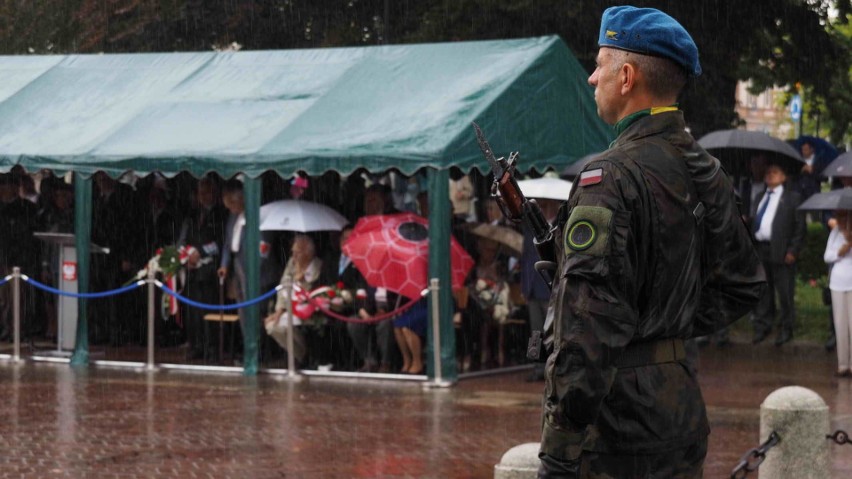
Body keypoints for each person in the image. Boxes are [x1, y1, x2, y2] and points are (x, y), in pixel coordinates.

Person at [537, 6, 765, 477]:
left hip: (618, 429)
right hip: (679, 413)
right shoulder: (707, 170)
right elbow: (743, 284)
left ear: (626, 76)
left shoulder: (609, 178)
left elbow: (587, 331)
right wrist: (667, 327)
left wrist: (558, 451)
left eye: (598, 65)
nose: (590, 78)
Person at [218, 179, 281, 355]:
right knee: (243, 312)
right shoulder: (233, 216)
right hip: (238, 267)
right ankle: (249, 347)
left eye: (232, 203)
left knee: (256, 313)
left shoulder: (259, 215)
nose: (230, 208)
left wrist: (253, 268)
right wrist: (224, 264)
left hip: (258, 272)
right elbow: (228, 243)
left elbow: (264, 247)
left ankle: (261, 351)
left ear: (242, 198)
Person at [750, 163, 806, 346]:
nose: (770, 175)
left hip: (782, 251)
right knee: (763, 291)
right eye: (768, 172)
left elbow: (800, 228)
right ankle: (763, 325)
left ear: (784, 177)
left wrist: (793, 251)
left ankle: (786, 328)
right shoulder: (759, 196)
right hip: (760, 249)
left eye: (775, 172)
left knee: (784, 292)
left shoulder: (792, 198)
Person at [178, 176, 228, 360]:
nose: (204, 196)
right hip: (192, 271)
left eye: (207, 192)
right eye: (201, 193)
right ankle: (196, 344)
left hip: (210, 271)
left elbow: (222, 241)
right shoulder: (192, 215)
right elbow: (183, 239)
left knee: (209, 310)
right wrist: (184, 255)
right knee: (193, 312)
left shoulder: (221, 214)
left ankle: (211, 347)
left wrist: (200, 252)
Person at [823, 209, 852, 377]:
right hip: (837, 282)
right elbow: (827, 256)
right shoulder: (835, 233)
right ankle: (843, 364)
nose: (839, 220)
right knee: (840, 324)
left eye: (843, 216)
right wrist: (839, 252)